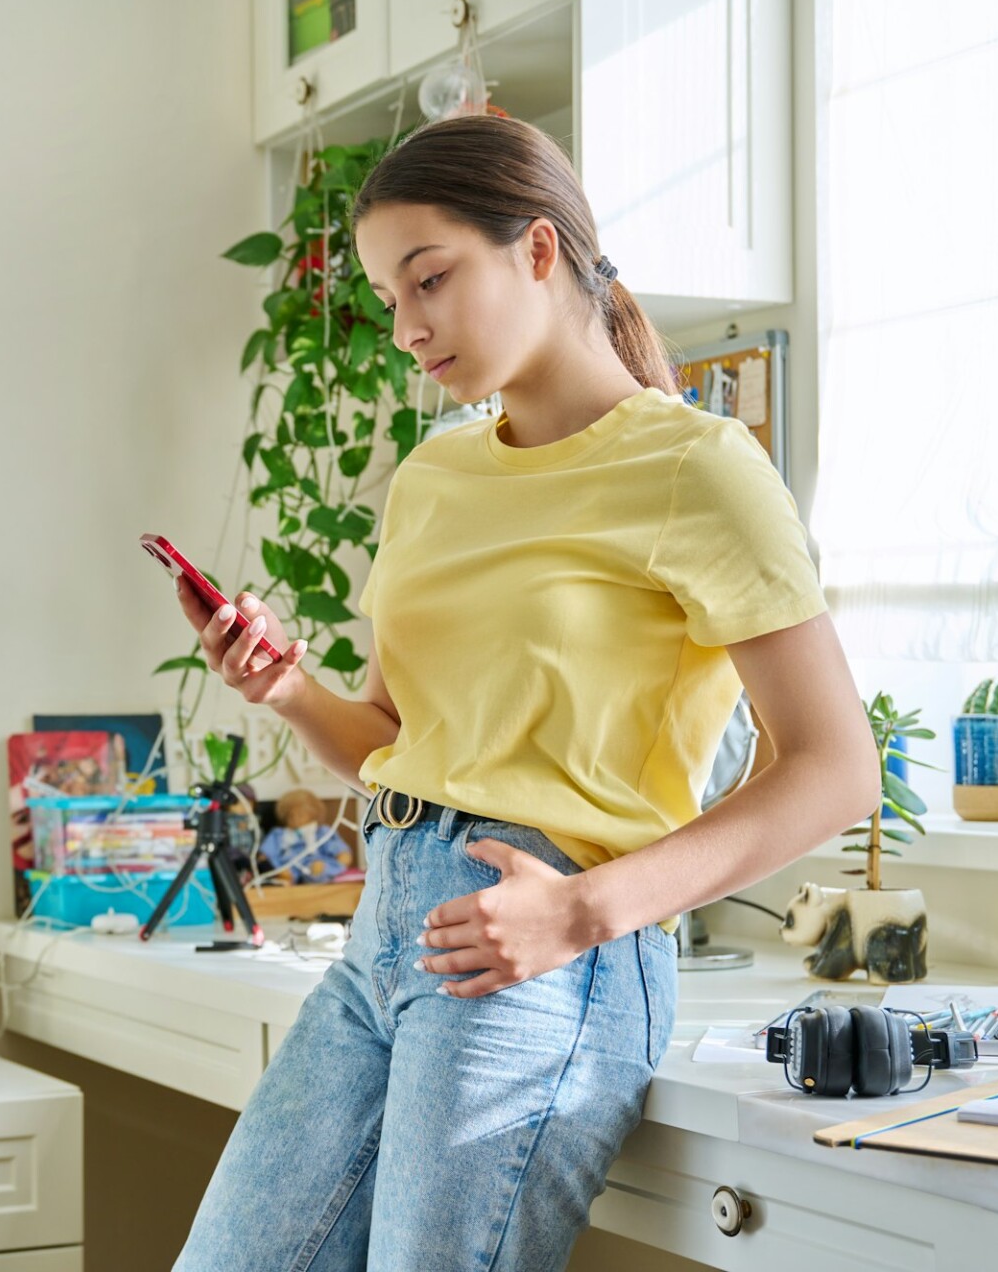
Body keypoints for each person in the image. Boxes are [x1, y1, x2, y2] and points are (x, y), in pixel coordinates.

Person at [169, 115, 879, 1271]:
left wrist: (583, 911)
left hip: (550, 948)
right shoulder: (435, 475)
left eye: (430, 279)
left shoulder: (696, 467)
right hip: (384, 931)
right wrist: (288, 684)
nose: (408, 328)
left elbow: (836, 768)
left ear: (538, 249)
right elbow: (398, 738)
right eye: (388, 298)